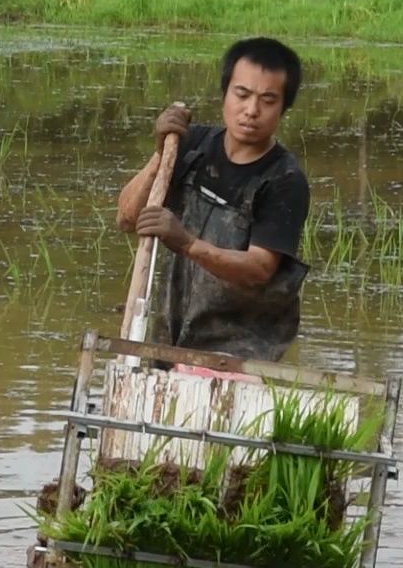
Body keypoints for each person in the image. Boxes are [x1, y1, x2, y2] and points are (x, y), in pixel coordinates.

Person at [114, 37, 311, 363]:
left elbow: (259, 269)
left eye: (267, 100)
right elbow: (127, 218)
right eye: (242, 94)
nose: (251, 110)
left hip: (237, 350)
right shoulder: (191, 145)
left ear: (283, 108)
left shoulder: (284, 181)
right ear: (225, 93)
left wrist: (187, 243)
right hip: (167, 332)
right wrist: (161, 153)